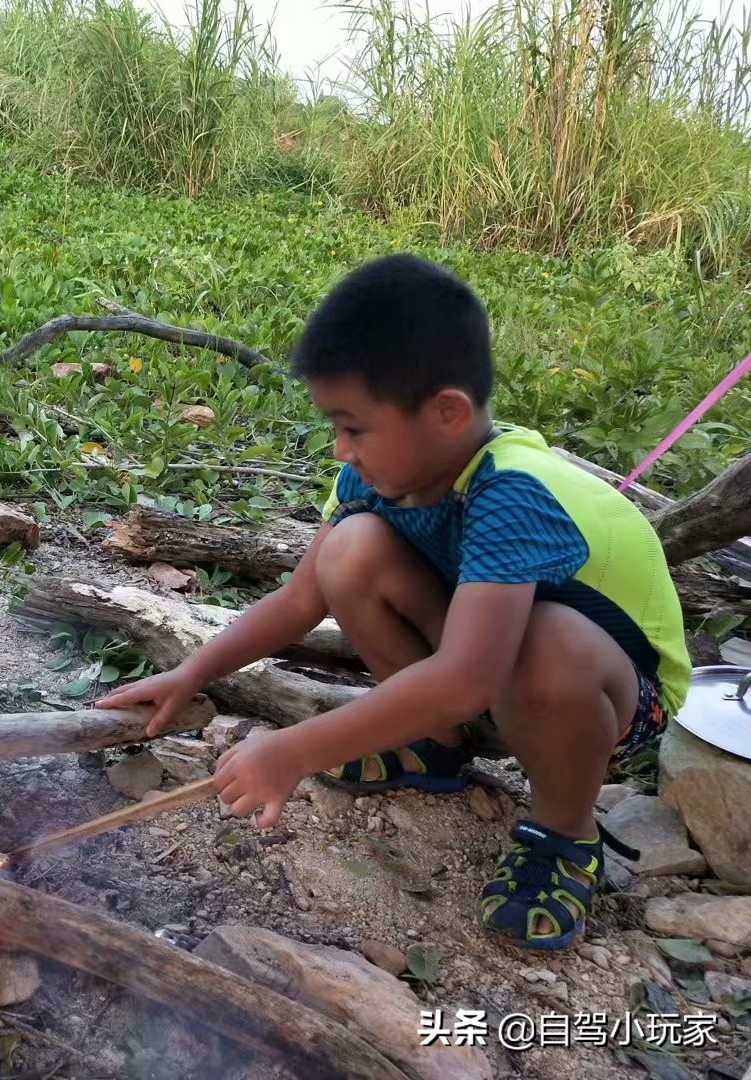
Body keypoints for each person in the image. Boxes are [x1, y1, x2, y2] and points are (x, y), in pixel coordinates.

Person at [97, 253, 690, 951]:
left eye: (354, 427)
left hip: (614, 694)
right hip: (491, 659)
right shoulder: (374, 479)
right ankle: (431, 745)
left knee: (545, 644)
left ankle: (564, 833)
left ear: (446, 413)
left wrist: (292, 751)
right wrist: (192, 673)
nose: (341, 449)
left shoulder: (515, 490)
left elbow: (470, 675)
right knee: (351, 550)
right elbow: (298, 600)